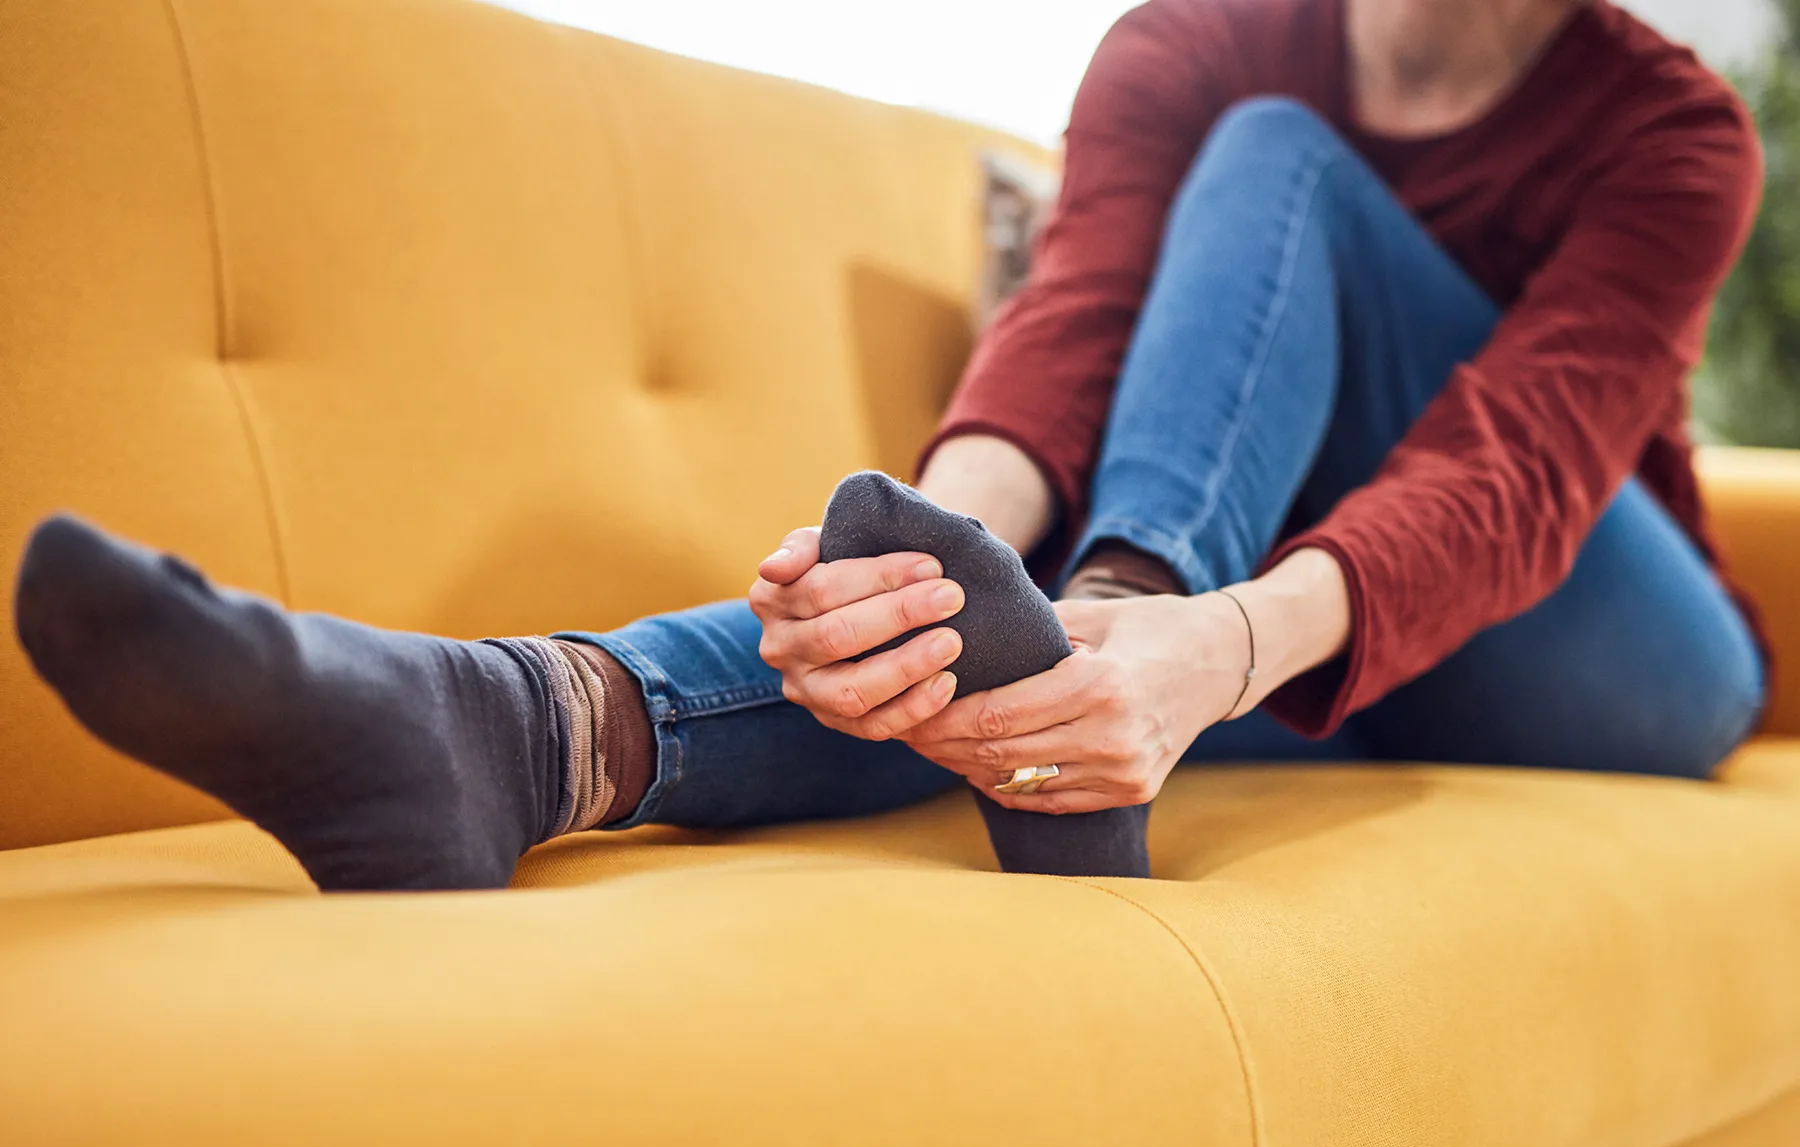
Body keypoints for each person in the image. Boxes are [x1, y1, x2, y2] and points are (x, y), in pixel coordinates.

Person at [12, 0, 1770, 890]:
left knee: (1275, 166)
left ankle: (1109, 608)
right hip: (1275, 652)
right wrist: (940, 555)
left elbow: (1521, 465)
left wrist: (1190, 633)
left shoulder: (1672, 129)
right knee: (992, 604)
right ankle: (515, 733)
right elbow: (1071, 328)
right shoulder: (1192, 31)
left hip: (1594, 659)